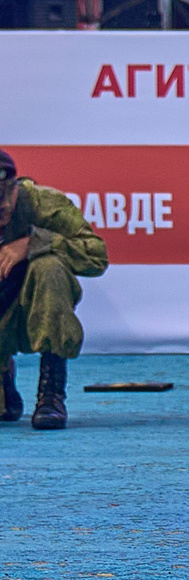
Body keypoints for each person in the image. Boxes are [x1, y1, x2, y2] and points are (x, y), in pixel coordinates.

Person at [0, 150, 111, 431]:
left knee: (49, 267)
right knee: (4, 412)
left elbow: (96, 256)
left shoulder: (43, 203)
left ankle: (50, 395)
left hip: (36, 311)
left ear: (14, 188)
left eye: (4, 202)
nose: (2, 211)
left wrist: (35, 243)